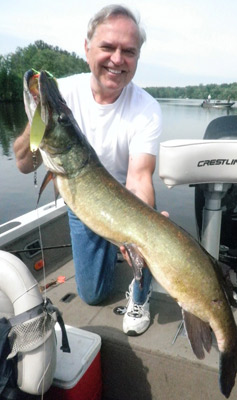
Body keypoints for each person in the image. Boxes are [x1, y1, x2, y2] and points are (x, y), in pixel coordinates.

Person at [13, 4, 162, 336]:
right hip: (80, 201)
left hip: (125, 200)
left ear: (137, 58)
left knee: (151, 232)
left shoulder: (147, 109)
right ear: (87, 48)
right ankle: (108, 252)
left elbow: (139, 178)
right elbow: (24, 164)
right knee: (93, 295)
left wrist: (141, 225)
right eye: (108, 47)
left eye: (129, 51)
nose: (117, 59)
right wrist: (38, 123)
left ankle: (141, 289)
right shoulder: (65, 92)